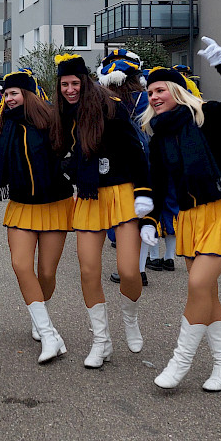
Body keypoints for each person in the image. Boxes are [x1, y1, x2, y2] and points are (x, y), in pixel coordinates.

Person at [140, 37, 221, 392]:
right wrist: (150, 220)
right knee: (207, 292)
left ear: (176, 91)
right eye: (150, 93)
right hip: (191, 218)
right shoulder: (158, 136)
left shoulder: (208, 116)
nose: (154, 97)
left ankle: (180, 362)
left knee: (197, 285)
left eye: (160, 90)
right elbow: (157, 183)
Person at [57, 53, 152, 368]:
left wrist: (144, 193)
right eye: (64, 85)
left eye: (75, 83)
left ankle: (130, 318)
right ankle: (102, 341)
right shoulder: (63, 113)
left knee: (129, 271)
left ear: (85, 81)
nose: (70, 89)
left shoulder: (111, 106)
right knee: (88, 271)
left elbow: (137, 152)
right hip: (89, 195)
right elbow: (61, 152)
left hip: (121, 192)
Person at [0, 70, 74, 363]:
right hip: (22, 205)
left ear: (27, 95)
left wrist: (66, 172)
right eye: (6, 94)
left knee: (47, 273)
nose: (8, 99)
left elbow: (76, 148)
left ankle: (40, 318)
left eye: (13, 93)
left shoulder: (53, 119)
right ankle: (49, 333)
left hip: (55, 204)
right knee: (20, 264)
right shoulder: (6, 124)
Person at [98, 50, 155, 288]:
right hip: (151, 158)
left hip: (123, 162)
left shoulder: (112, 101)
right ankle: (139, 269)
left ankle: (130, 269)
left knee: (126, 218)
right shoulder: (147, 97)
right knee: (144, 214)